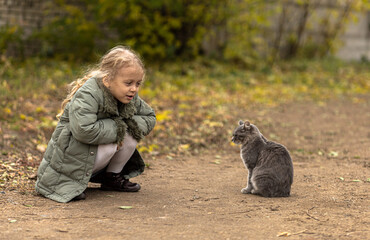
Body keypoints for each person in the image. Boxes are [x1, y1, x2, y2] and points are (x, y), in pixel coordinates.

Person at [35, 46, 156, 203]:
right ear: (107, 80)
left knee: (130, 135)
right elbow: (84, 130)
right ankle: (70, 183)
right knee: (115, 139)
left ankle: (112, 177)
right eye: (128, 83)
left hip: (91, 157)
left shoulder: (128, 96)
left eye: (138, 83)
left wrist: (123, 129)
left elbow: (149, 116)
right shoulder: (88, 94)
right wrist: (118, 128)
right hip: (69, 158)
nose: (134, 89)